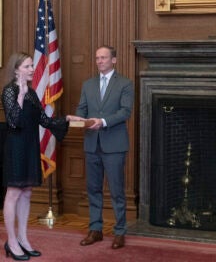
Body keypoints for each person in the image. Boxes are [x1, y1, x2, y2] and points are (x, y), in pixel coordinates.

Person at [1, 52, 83, 261]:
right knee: (13, 192)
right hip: (15, 146)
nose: (31, 70)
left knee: (27, 191)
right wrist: (19, 94)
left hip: (30, 145)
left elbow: (44, 121)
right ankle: (11, 241)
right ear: (17, 68)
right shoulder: (10, 91)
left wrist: (66, 119)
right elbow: (14, 122)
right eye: (27, 66)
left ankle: (23, 238)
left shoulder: (32, 92)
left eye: (31, 66)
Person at [76, 45, 134, 249]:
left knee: (117, 191)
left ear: (114, 60)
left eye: (104, 57)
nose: (99, 61)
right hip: (92, 144)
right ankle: (95, 230)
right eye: (97, 58)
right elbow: (81, 109)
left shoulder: (125, 84)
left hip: (114, 145)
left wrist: (103, 121)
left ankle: (119, 232)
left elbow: (125, 112)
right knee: (93, 189)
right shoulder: (88, 84)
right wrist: (77, 118)